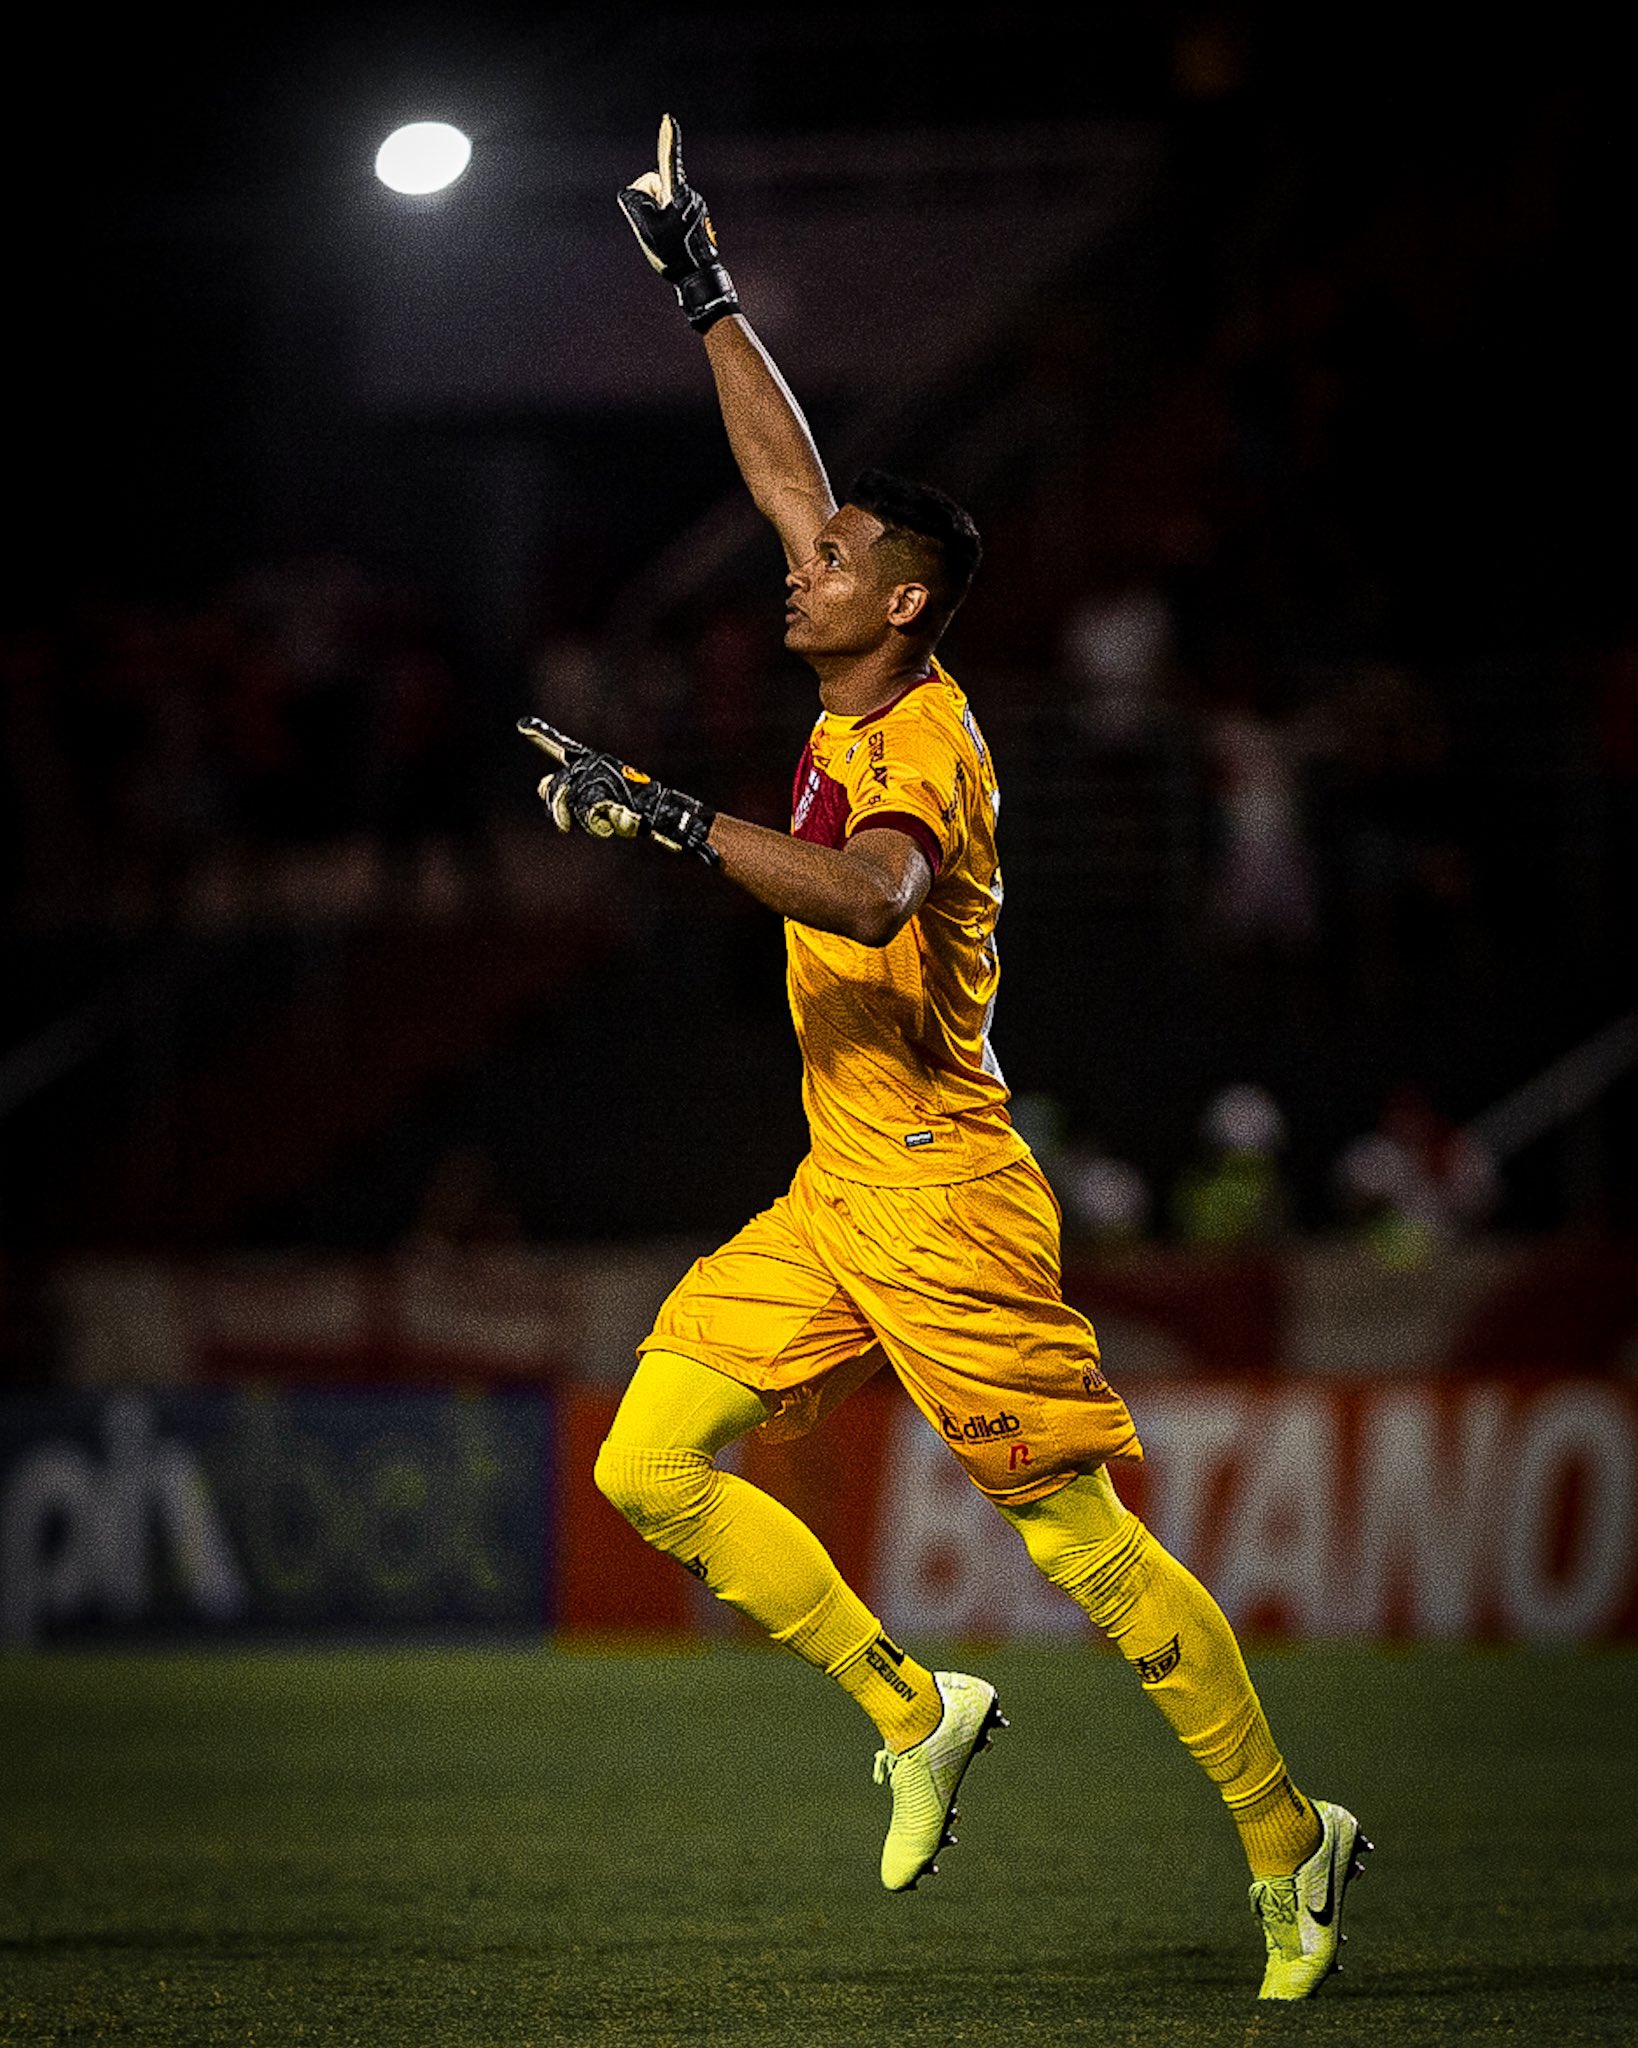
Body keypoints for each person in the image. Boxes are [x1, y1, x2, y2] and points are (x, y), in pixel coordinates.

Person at [520, 117, 1367, 2002]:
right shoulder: (856, 669)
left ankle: (1283, 1835)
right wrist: (703, 288)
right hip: (841, 1187)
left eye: (830, 562)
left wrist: (667, 820)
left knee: (1082, 1549)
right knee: (648, 1464)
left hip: (944, 1197)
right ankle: (911, 1707)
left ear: (899, 602)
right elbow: (788, 477)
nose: (796, 564)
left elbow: (872, 897)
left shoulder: (924, 746)